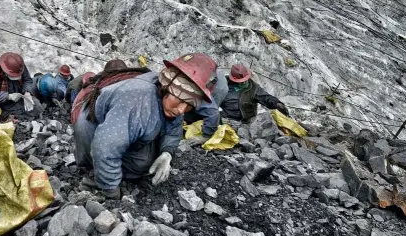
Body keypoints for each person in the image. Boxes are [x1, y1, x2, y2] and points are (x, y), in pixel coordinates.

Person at [73, 53, 219, 199]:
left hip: (119, 128)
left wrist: (167, 153)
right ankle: (94, 176)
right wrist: (111, 190)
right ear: (167, 86)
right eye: (180, 101)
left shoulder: (171, 97)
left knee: (147, 160)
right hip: (92, 135)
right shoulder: (138, 101)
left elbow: (173, 130)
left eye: (189, 106)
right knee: (140, 164)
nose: (181, 110)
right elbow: (104, 148)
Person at [0, 52, 43, 118]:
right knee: (28, 112)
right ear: (5, 71)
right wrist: (8, 96)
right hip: (4, 102)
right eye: (13, 75)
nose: (17, 77)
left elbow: (27, 80)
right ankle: (9, 115)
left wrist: (27, 93)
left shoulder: (19, 67)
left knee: (37, 107)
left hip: (20, 95)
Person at [220, 63, 289, 121]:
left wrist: (276, 103)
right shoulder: (223, 83)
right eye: (240, 81)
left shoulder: (254, 88)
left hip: (245, 122)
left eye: (244, 80)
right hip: (225, 118)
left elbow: (266, 97)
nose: (243, 82)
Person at [183, 69, 228, 142]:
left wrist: (205, 137)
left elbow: (213, 113)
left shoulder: (196, 93)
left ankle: (209, 129)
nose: (180, 109)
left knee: (209, 112)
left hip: (218, 88)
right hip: (211, 78)